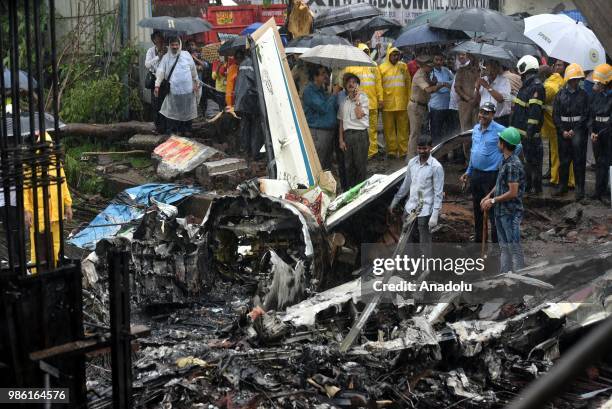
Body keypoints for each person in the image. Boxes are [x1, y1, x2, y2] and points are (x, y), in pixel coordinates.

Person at [24, 132, 73, 269]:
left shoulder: (56, 163)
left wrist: (68, 205)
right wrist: (27, 210)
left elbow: (63, 185)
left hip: (55, 215)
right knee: (38, 248)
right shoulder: (31, 165)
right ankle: (37, 274)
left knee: (55, 246)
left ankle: (53, 271)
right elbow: (25, 190)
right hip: (38, 215)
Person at [481, 127, 526, 274]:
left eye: (499, 141)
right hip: (501, 212)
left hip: (510, 212)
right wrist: (489, 195)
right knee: (504, 247)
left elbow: (512, 192)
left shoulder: (512, 165)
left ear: (503, 144)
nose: (497, 143)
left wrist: (493, 201)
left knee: (514, 247)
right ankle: (504, 276)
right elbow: (501, 183)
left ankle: (520, 278)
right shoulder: (504, 161)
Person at [460, 102, 506, 244]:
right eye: (481, 112)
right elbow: (474, 151)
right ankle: (480, 240)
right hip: (476, 175)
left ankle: (496, 242)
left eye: (486, 113)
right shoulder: (476, 129)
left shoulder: (500, 130)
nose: (483, 115)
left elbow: (516, 146)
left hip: (491, 176)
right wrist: (468, 172)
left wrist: (503, 163)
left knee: (492, 209)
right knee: (477, 208)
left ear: (492, 114)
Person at [389, 135, 444, 247]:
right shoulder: (412, 163)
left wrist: (435, 214)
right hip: (410, 208)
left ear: (430, 148)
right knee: (407, 240)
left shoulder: (436, 167)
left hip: (425, 211)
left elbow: (438, 193)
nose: (422, 151)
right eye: (419, 148)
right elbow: (406, 185)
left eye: (425, 149)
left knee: (424, 242)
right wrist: (395, 199)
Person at [552, 63, 590, 200]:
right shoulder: (559, 95)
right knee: (564, 161)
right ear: (568, 79)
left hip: (578, 133)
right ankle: (562, 186)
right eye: (574, 79)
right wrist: (562, 131)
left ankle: (580, 189)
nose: (576, 81)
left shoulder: (584, 95)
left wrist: (575, 130)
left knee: (579, 161)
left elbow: (586, 115)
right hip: (563, 133)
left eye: (578, 79)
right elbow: (555, 115)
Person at [511, 55, 546, 194]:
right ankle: (528, 187)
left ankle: (536, 190)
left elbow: (534, 113)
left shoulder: (535, 87)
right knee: (527, 163)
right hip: (522, 133)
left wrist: (530, 134)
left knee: (533, 163)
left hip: (529, 135)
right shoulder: (527, 86)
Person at [343, 44, 383, 159]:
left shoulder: (374, 65)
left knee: (373, 129)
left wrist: (381, 98)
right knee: (360, 129)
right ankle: (362, 152)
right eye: (363, 52)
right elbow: (346, 85)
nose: (365, 54)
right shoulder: (350, 66)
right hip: (358, 104)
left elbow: (378, 83)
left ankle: (372, 151)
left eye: (367, 51)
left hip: (373, 102)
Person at [154, 36, 200, 135]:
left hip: (187, 91)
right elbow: (160, 72)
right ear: (169, 45)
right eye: (172, 45)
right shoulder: (166, 57)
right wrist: (157, 85)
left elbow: (193, 70)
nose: (174, 47)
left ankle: (186, 130)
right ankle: (172, 131)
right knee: (172, 112)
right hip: (173, 91)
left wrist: (196, 82)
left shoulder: (186, 55)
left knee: (186, 111)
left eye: (176, 44)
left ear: (180, 45)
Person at [540, 64, 575, 188]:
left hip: (553, 124)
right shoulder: (559, 79)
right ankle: (570, 180)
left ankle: (556, 179)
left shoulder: (548, 87)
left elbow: (539, 102)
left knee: (556, 154)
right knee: (566, 153)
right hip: (561, 123)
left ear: (544, 76)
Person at [302, 65, 339, 170]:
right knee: (319, 163)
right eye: (323, 74)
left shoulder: (321, 90)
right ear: (315, 77)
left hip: (327, 132)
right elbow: (323, 108)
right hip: (318, 132)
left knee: (327, 164)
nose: (326, 76)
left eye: (326, 73)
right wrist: (334, 94)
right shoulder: (309, 91)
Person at [338, 73, 369, 188]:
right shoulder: (344, 102)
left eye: (353, 82)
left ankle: (361, 192)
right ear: (345, 85)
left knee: (360, 166)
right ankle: (351, 192)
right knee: (348, 166)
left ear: (357, 85)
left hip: (360, 135)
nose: (351, 84)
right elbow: (341, 122)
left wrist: (357, 101)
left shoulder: (363, 98)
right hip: (347, 136)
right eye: (348, 82)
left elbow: (360, 115)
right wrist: (341, 140)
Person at [379, 46, 411, 158]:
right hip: (387, 103)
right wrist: (380, 100)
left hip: (402, 103)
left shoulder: (403, 66)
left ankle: (404, 151)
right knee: (389, 129)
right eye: (394, 55)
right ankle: (392, 151)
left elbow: (408, 84)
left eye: (397, 55)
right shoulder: (382, 68)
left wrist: (409, 99)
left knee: (403, 128)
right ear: (389, 55)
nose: (396, 57)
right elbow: (379, 86)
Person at [408, 55, 441, 158]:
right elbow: (428, 90)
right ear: (424, 66)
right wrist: (440, 85)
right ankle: (411, 158)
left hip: (423, 106)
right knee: (415, 134)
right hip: (415, 107)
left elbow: (429, 85)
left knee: (422, 132)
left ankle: (420, 155)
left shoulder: (426, 74)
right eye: (430, 66)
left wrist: (433, 82)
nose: (432, 68)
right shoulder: (419, 75)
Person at [589, 63, 612, 204]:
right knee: (599, 163)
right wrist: (592, 131)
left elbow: (610, 121)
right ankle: (598, 191)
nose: (597, 85)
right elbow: (591, 115)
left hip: (608, 135)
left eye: (600, 83)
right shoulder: (596, 96)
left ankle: (605, 192)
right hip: (596, 134)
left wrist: (600, 133)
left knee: (607, 162)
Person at [234, 49, 263, 159]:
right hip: (252, 99)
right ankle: (254, 153)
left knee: (245, 126)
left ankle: (244, 151)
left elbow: (239, 84)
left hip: (243, 100)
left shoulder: (243, 64)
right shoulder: (254, 63)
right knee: (255, 126)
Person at [475, 59, 512, 126]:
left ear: (497, 68)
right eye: (487, 66)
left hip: (499, 120)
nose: (488, 69)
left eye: (492, 66)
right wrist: (477, 89)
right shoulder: (483, 79)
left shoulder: (504, 81)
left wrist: (487, 86)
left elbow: (501, 99)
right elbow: (476, 100)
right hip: (484, 119)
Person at [428, 51, 454, 145]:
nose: (439, 62)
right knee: (436, 132)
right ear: (433, 60)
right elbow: (433, 88)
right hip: (436, 107)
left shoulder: (446, 70)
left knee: (448, 132)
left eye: (441, 60)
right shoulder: (430, 72)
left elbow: (453, 82)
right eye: (437, 60)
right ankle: (437, 154)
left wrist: (443, 84)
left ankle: (446, 154)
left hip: (447, 105)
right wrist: (443, 84)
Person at [145, 31, 166, 134]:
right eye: (157, 39)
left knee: (165, 103)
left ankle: (165, 126)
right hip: (154, 80)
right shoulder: (151, 51)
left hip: (165, 81)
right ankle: (157, 127)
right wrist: (158, 57)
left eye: (160, 38)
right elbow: (147, 65)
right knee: (156, 103)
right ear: (154, 40)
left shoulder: (167, 50)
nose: (159, 40)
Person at [454, 52, 479, 132]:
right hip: (465, 104)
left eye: (476, 57)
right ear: (469, 57)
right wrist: (467, 98)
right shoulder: (461, 70)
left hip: (478, 105)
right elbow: (457, 87)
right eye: (472, 57)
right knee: (466, 131)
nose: (474, 59)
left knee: (477, 130)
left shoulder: (481, 71)